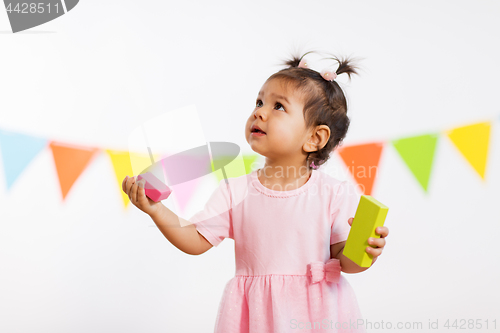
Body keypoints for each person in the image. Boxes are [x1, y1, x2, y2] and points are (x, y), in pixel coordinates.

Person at [122, 51, 389, 333]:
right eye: (259, 102)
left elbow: (344, 261)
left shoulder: (333, 194)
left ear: (315, 138)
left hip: (317, 315)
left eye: (278, 107)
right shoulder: (235, 191)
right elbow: (195, 240)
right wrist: (156, 209)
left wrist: (365, 251)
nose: (259, 112)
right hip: (257, 317)